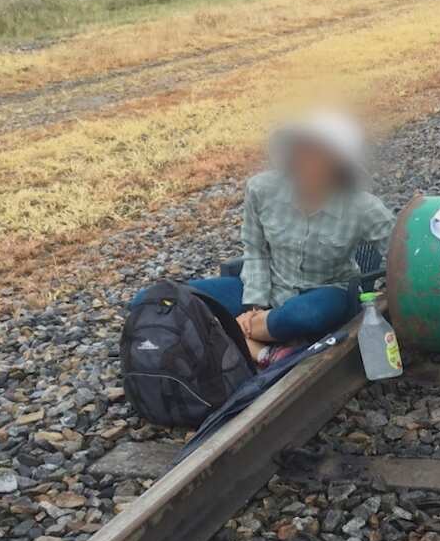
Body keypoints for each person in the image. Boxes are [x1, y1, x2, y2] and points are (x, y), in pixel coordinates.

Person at [133, 111, 394, 367]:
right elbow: (255, 250)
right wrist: (256, 306)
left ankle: (227, 333)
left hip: (325, 293)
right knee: (155, 299)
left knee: (306, 315)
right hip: (267, 288)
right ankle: (263, 351)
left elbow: (402, 253)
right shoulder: (261, 189)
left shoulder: (363, 207)